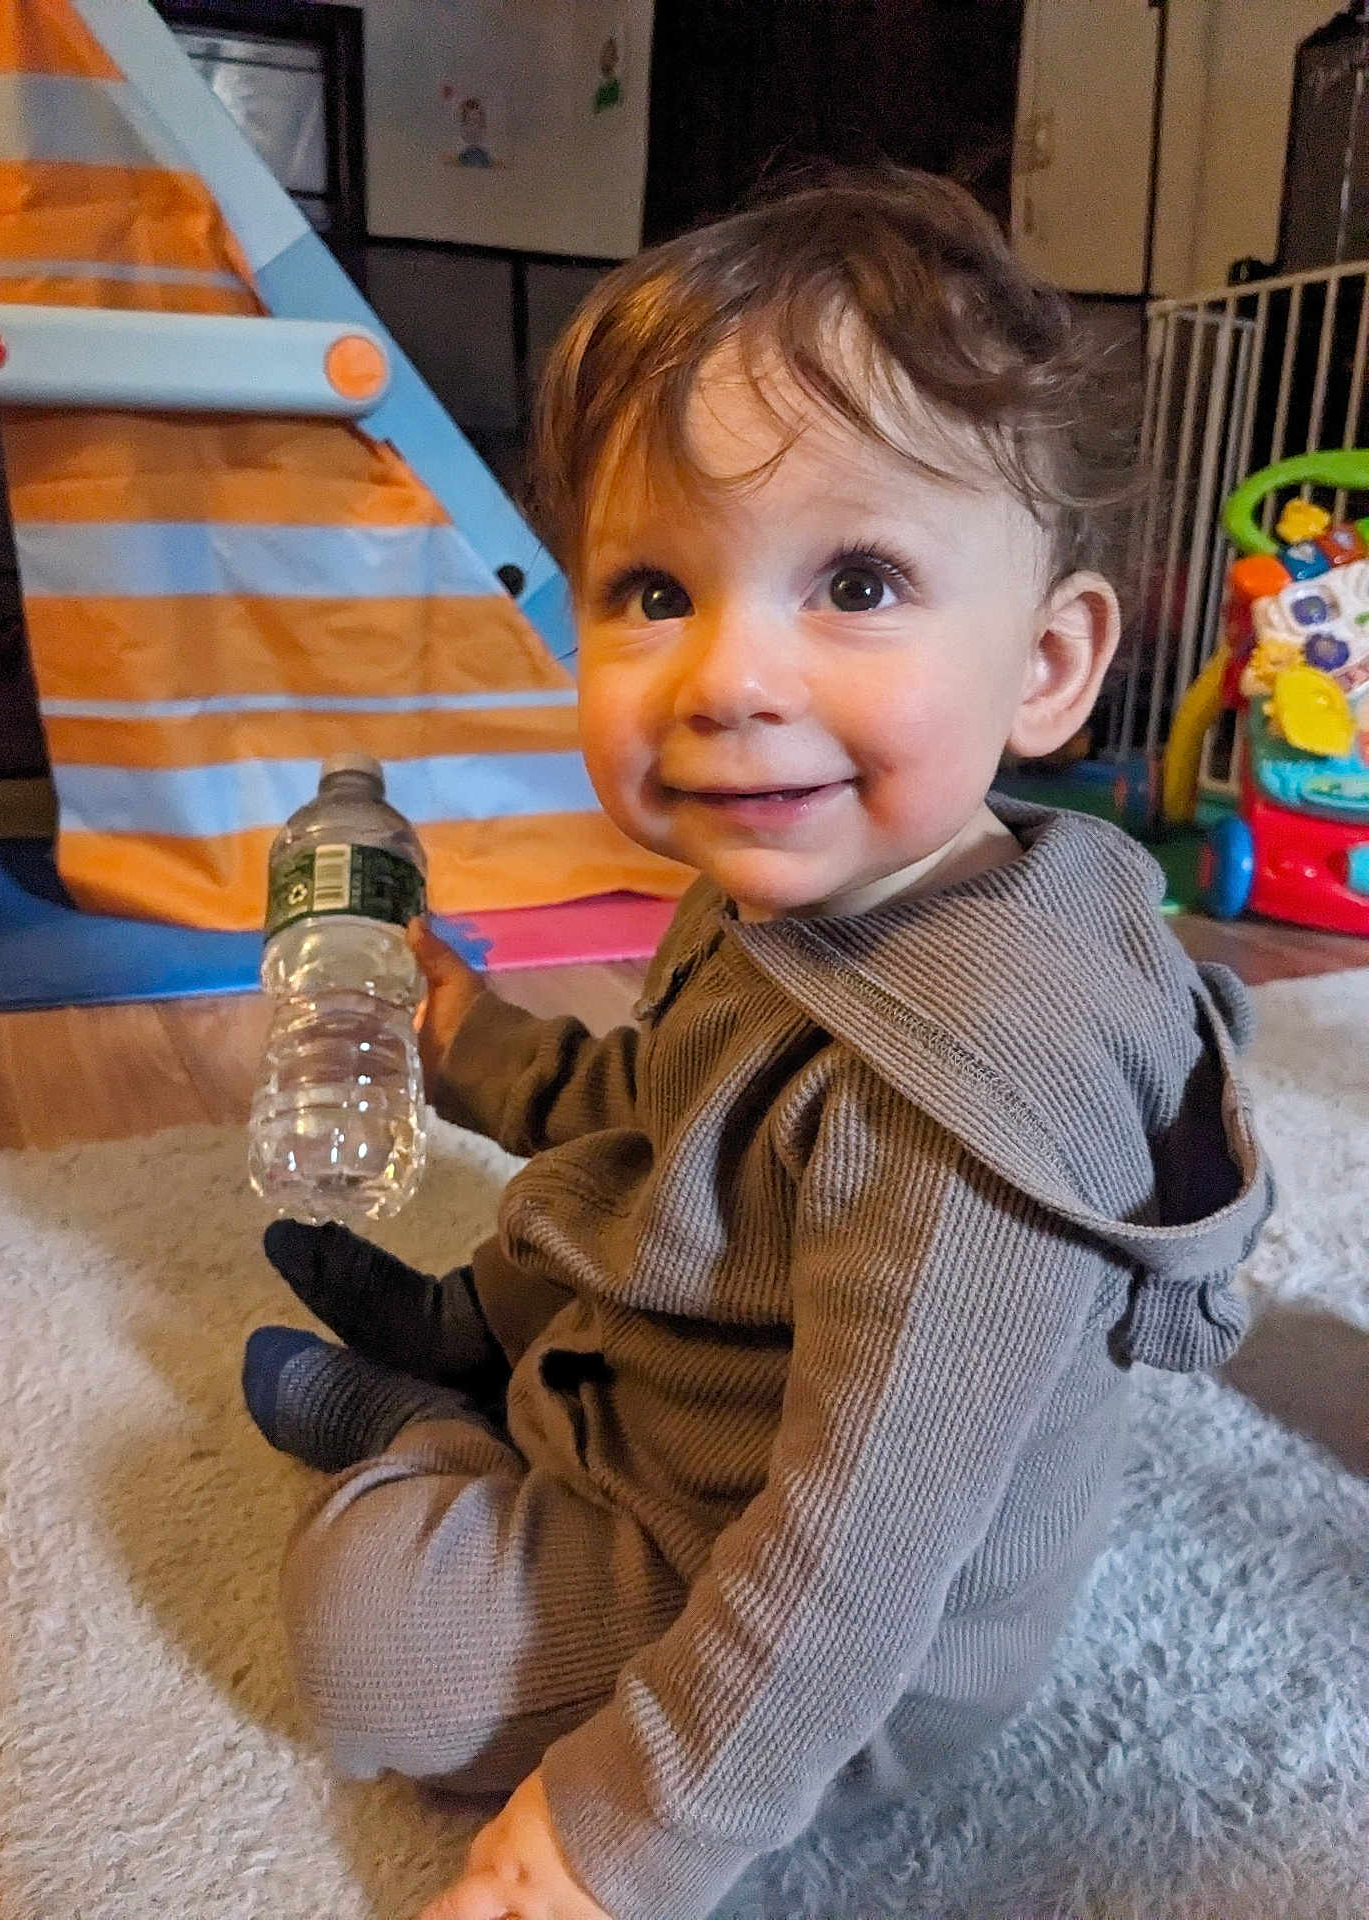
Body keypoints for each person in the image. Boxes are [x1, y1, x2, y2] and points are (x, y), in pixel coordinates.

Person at [241, 166, 1272, 1920]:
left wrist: (614, 1842)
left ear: (1046, 663)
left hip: (805, 1603)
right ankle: (468, 1354)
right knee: (621, 1176)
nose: (727, 676)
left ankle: (435, 1432)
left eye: (856, 580)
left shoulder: (974, 1109)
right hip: (680, 1381)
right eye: (653, 591)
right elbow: (654, 1122)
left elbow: (849, 1566)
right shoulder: (789, 881)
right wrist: (471, 1036)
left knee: (363, 1645)